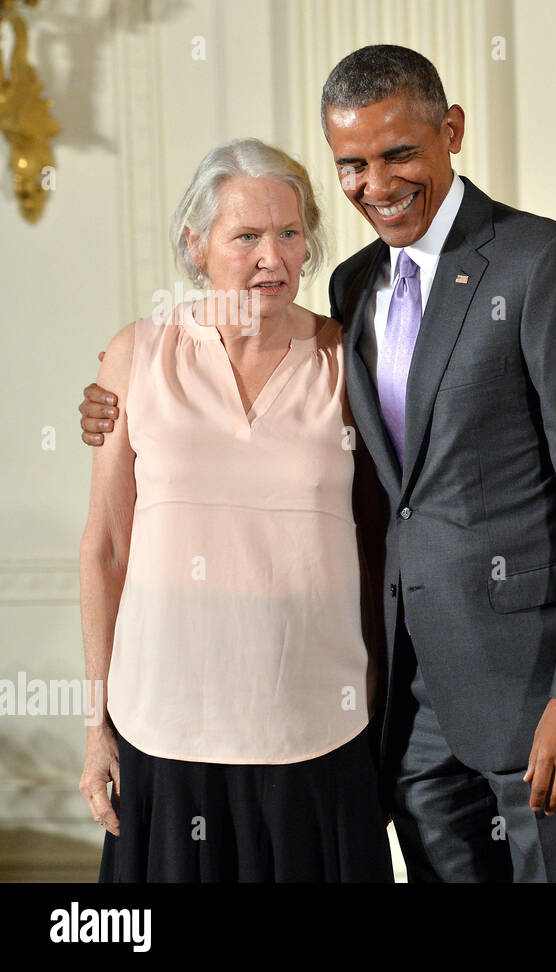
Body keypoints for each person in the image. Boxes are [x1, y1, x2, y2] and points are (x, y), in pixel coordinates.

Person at [83, 45, 556, 882]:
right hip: (412, 721)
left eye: (399, 154)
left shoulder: (544, 264)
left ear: (451, 132)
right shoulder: (356, 290)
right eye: (352, 164)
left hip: (540, 693)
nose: (375, 183)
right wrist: (106, 404)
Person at [78, 138, 393, 882]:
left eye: (289, 233)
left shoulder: (349, 359)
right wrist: (95, 727)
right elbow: (105, 551)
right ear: (196, 244)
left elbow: (383, 543)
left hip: (316, 732)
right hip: (165, 735)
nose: (272, 257)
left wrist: (386, 711)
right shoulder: (136, 355)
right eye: (246, 236)